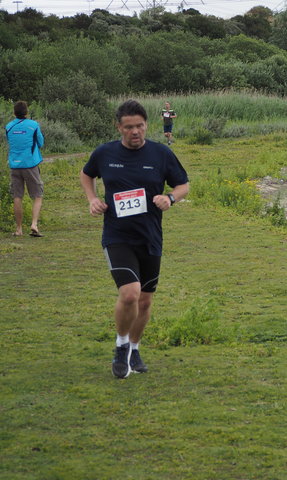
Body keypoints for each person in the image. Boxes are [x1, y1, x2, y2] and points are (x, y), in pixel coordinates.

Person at [80, 100, 189, 379]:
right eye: (129, 127)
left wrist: (170, 198)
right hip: (117, 236)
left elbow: (183, 184)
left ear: (146, 125)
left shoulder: (160, 154)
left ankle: (135, 349)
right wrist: (93, 199)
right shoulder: (105, 153)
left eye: (139, 126)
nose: (135, 132)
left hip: (150, 236)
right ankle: (121, 345)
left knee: (145, 302)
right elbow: (86, 174)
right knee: (130, 293)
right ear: (119, 128)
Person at [5, 101, 45, 237]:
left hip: (14, 165)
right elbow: (40, 143)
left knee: (17, 196)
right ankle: (34, 224)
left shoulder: (9, 126)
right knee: (38, 195)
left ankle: (18, 229)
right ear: (26, 112)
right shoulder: (33, 125)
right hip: (30, 164)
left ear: (14, 113)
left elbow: (10, 141)